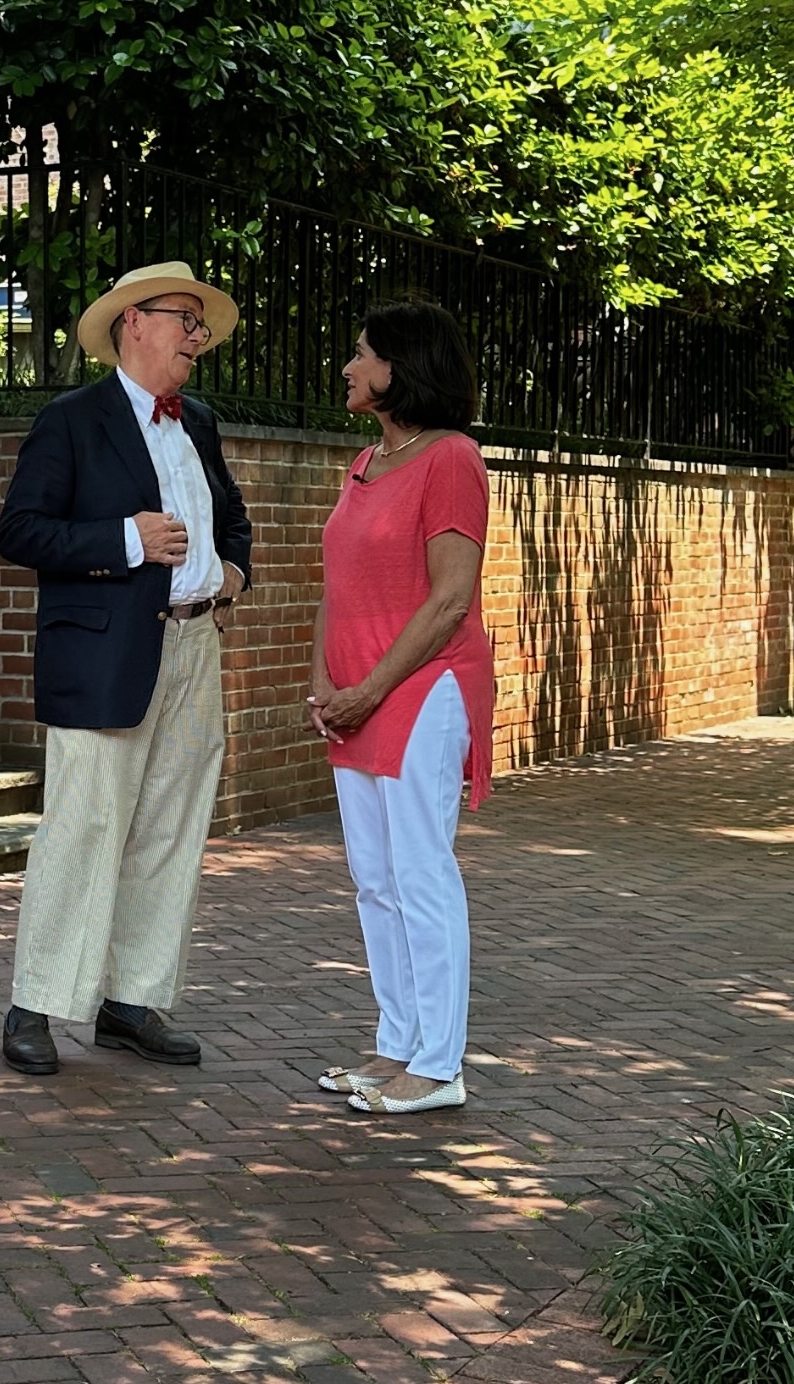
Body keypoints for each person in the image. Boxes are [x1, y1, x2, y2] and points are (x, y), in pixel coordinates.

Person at [0, 261, 252, 1077]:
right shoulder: (71, 420)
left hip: (192, 645)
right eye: (185, 318)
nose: (196, 336)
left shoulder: (198, 421)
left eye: (200, 323)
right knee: (84, 829)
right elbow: (22, 532)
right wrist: (124, 539)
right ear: (133, 323)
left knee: (171, 829)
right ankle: (34, 1003)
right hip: (102, 656)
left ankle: (132, 1002)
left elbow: (232, 517)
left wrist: (233, 570)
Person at [308, 299, 494, 1115]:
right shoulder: (364, 462)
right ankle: (397, 1049)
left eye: (361, 352)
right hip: (355, 696)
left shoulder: (450, 458)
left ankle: (440, 1064)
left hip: (420, 689)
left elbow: (450, 598)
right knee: (374, 879)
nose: (350, 367)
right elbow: (336, 584)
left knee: (420, 874)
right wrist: (324, 685)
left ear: (401, 367)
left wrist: (370, 689)